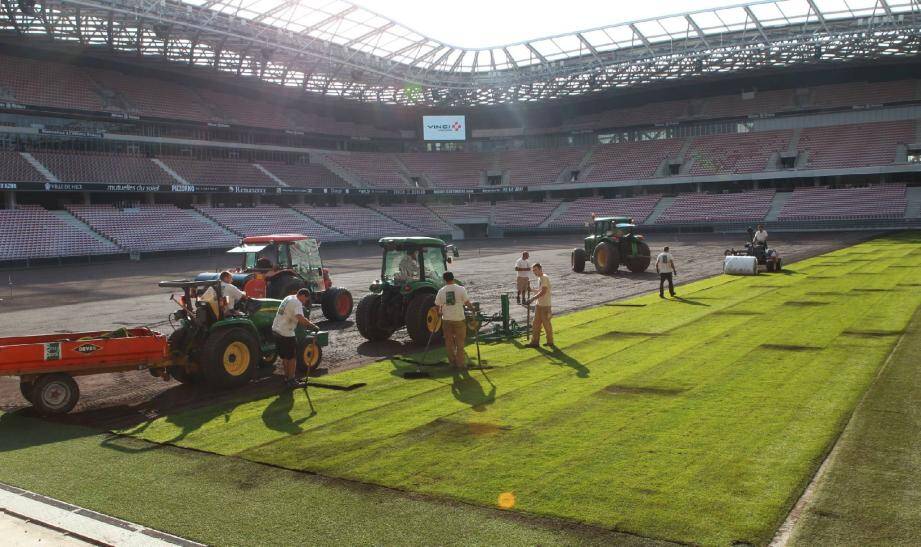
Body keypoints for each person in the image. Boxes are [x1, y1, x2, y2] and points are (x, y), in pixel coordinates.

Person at [272, 288, 320, 388]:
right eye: (306, 299)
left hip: (276, 330)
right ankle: (292, 380)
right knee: (292, 357)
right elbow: (301, 319)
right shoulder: (297, 303)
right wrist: (313, 326)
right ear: (302, 295)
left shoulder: (289, 297)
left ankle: (287, 379)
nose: (305, 301)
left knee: (285, 357)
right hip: (286, 332)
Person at [434, 272, 473, 368]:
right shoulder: (461, 289)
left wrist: (439, 312)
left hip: (446, 320)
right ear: (453, 278)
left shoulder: (441, 291)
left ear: (444, 280)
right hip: (459, 318)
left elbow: (437, 305)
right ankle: (460, 364)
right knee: (460, 342)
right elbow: (467, 302)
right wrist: (472, 309)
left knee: (449, 342)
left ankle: (452, 363)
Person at [525, 263, 554, 348]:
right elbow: (539, 290)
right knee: (535, 324)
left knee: (546, 324)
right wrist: (531, 289)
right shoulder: (540, 278)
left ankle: (550, 341)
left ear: (540, 269)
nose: (534, 272)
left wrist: (533, 298)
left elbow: (544, 291)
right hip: (539, 305)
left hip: (545, 306)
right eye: (533, 270)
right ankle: (535, 342)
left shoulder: (544, 277)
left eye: (536, 270)